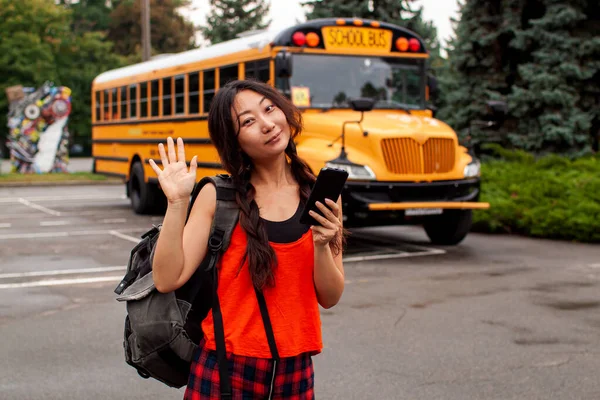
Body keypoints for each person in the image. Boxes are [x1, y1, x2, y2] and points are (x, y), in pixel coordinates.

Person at [149, 79, 346, 399]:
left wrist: (323, 245)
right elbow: (167, 278)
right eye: (249, 121)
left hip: (295, 370)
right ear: (234, 141)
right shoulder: (218, 196)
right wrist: (177, 203)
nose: (267, 124)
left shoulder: (319, 194)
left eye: (270, 109)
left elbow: (330, 295)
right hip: (226, 369)